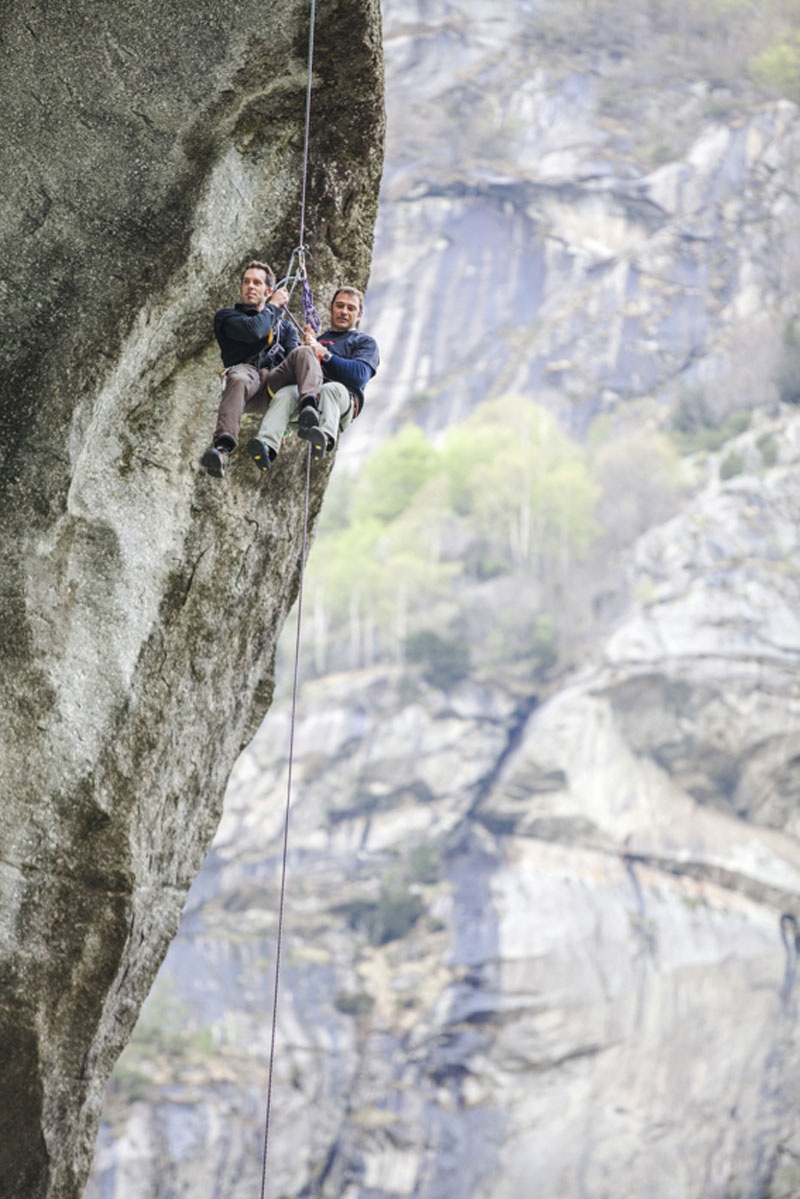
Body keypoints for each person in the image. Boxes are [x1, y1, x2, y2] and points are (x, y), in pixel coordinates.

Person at [244, 285, 380, 471]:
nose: (344, 312)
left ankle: (324, 437)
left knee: (330, 389)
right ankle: (268, 446)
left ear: (359, 314)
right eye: (340, 306)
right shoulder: (319, 339)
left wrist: (324, 354)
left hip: (341, 400)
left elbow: (358, 376)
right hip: (310, 397)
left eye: (351, 308)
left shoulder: (363, 342)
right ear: (331, 307)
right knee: (285, 393)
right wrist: (304, 351)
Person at [200, 259, 299, 478]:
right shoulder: (228, 317)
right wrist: (273, 306)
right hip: (247, 382)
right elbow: (255, 331)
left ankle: (298, 420)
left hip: (274, 383)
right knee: (238, 377)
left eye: (256, 282)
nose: (250, 287)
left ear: (268, 289)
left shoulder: (285, 328)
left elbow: (294, 358)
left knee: (302, 357)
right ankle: (223, 448)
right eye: (246, 282)